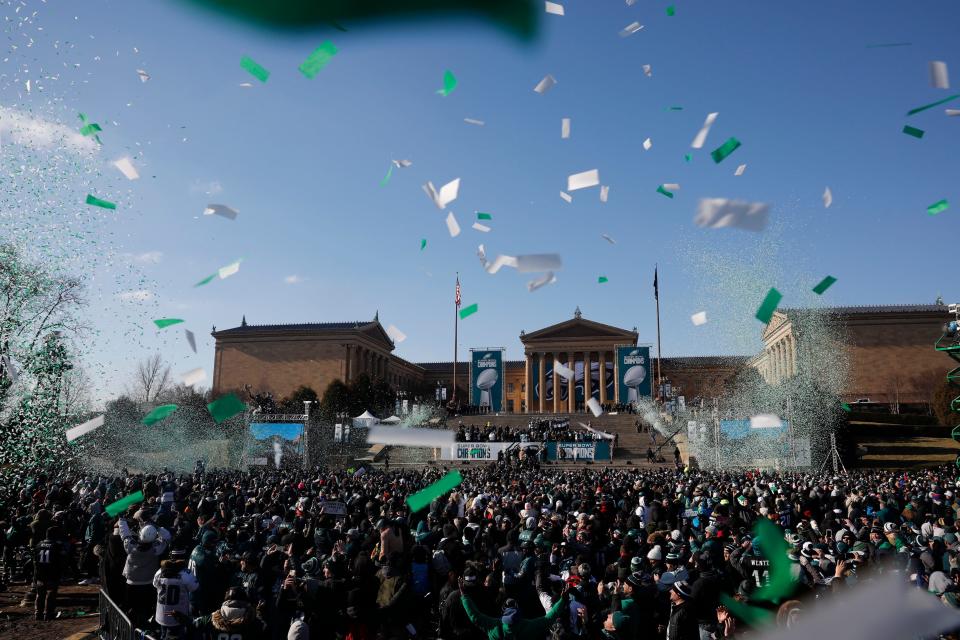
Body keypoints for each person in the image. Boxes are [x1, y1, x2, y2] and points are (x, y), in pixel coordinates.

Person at [118, 516, 169, 627]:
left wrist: (122, 519)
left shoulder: (130, 546)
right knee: (145, 610)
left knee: (131, 609)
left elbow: (125, 534)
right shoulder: (156, 549)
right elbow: (167, 536)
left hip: (131, 583)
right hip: (148, 584)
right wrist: (157, 527)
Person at [153, 550, 199, 639]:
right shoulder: (186, 574)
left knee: (163, 635)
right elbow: (195, 587)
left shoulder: (159, 572)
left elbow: (155, 585)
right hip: (177, 615)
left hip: (161, 614)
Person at [193, 586, 268, 639]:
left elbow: (191, 624)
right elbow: (263, 628)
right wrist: (259, 614)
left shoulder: (208, 619)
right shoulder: (255, 623)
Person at [33, 525, 65, 621]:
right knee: (51, 594)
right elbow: (61, 560)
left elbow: (34, 560)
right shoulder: (57, 546)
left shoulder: (38, 544)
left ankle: (38, 613)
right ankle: (48, 613)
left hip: (40, 573)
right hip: (52, 573)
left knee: (40, 594)